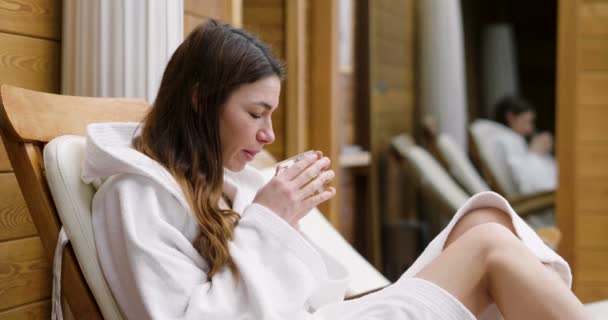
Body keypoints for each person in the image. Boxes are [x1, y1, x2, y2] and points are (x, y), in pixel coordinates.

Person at [81, 20, 585, 319]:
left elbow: (306, 284)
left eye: (270, 116)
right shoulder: (137, 196)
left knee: (484, 221)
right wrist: (269, 222)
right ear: (198, 101)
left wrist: (279, 222)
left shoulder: (224, 187)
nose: (268, 135)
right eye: (255, 114)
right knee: (487, 246)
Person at [493, 95, 557, 195]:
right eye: (528, 122)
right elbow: (529, 185)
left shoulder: (516, 140)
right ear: (511, 117)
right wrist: (534, 152)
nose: (530, 129)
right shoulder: (508, 140)